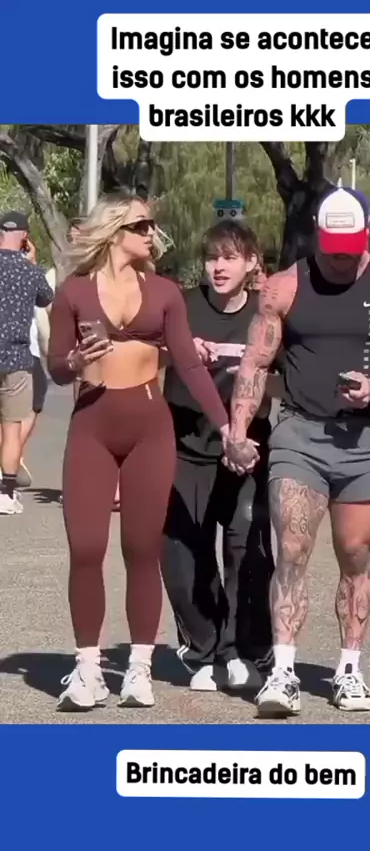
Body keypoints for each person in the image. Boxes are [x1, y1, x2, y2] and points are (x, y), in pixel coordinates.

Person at [224, 186, 370, 717]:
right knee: (292, 550)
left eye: (350, 246)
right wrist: (238, 429)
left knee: (354, 554)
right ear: (318, 234)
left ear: (366, 234)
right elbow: (255, 362)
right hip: (300, 435)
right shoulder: (284, 287)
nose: (341, 257)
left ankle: (349, 670)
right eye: (332, 246)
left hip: (365, 442)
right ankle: (284, 672)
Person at [46, 190, 229, 712]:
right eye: (142, 226)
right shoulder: (74, 292)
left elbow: (189, 365)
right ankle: (88, 669)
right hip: (92, 427)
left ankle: (139, 668)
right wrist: (76, 360)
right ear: (114, 233)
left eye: (151, 226)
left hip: (150, 429)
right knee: (86, 548)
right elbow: (56, 368)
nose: (152, 234)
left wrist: (226, 426)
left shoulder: (165, 292)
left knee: (142, 550)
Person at [161, 220, 276, 692]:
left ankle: (240, 649)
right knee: (183, 555)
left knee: (245, 550)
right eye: (212, 258)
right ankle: (203, 648)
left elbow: (282, 374)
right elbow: (148, 351)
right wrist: (176, 350)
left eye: (229, 257)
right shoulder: (182, 306)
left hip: (247, 450)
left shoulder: (267, 313)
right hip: (186, 446)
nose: (218, 267)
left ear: (251, 263)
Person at [0, 211, 54, 514]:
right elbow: (46, 299)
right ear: (24, 237)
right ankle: (6, 494)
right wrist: (32, 262)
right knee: (11, 428)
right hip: (17, 358)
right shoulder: (29, 272)